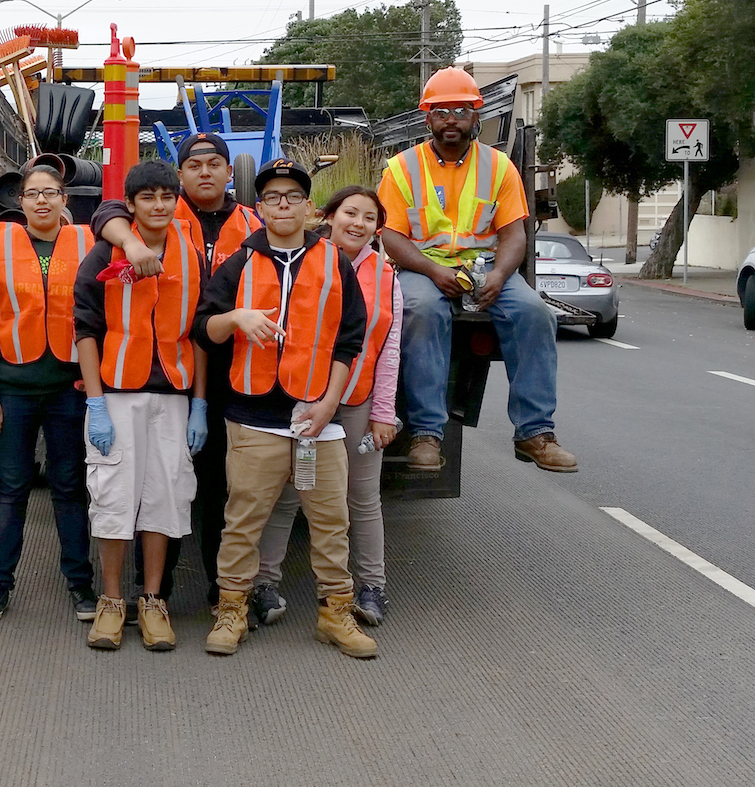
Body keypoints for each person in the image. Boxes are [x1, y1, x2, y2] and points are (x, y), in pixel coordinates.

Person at [194, 157, 376, 659]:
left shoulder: (334, 261)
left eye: (292, 196)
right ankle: (231, 610)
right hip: (253, 420)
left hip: (318, 422)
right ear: (260, 206)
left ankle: (334, 614)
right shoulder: (239, 263)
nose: (282, 205)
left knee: (330, 521)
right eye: (272, 197)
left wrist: (329, 405)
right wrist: (237, 317)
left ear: (308, 207)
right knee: (243, 520)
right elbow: (204, 331)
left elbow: (350, 340)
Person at [90, 132, 264, 602]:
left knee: (223, 488)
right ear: (181, 173)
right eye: (194, 164)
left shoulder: (254, 224)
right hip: (174, 374)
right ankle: (155, 593)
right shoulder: (165, 215)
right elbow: (105, 212)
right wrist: (131, 242)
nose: (205, 171)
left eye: (215, 163)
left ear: (233, 173)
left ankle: (223, 587)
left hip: (238, 370)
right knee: (158, 485)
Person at [379, 67, 578, 474]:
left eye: (461, 110)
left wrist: (500, 277)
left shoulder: (501, 167)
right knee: (420, 312)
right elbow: (393, 236)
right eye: (441, 110)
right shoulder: (400, 168)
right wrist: (434, 273)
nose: (451, 118)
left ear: (476, 116)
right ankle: (426, 434)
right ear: (427, 118)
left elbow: (514, 235)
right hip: (422, 268)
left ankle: (534, 433)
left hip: (486, 265)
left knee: (534, 313)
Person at [250, 185, 402, 630]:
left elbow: (388, 347)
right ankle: (265, 583)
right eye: (350, 213)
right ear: (328, 217)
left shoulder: (386, 275)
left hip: (356, 403)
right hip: (307, 400)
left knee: (363, 498)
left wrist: (383, 411)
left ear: (378, 228)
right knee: (289, 495)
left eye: (369, 218)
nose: (358, 223)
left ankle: (372, 586)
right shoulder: (306, 260)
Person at [72, 160, 207, 651]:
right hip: (117, 397)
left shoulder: (192, 255)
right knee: (112, 498)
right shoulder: (105, 253)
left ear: (178, 200)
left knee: (164, 498)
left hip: (173, 397)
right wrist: (96, 403)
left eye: (167, 196)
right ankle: (112, 603)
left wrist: (200, 405)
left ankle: (152, 600)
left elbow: (198, 336)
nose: (159, 205)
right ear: (129, 205)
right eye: (147, 197)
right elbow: (85, 331)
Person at [0, 159, 97, 624]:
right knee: (12, 490)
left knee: (69, 488)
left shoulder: (88, 244)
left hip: (70, 390)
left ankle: (82, 586)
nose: (42, 199)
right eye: (32, 193)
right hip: (13, 392)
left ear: (65, 200)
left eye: (51, 192)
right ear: (19, 203)